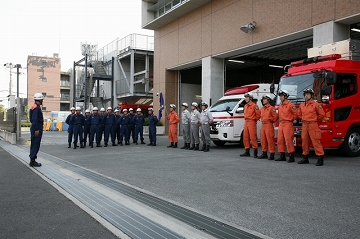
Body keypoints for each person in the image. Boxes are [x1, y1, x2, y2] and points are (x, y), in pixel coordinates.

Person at [297, 88, 325, 166]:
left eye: (308, 94)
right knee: (304, 141)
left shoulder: (316, 104)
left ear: (312, 95)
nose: (306, 96)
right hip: (304, 125)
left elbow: (322, 114)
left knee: (316, 141)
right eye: (305, 94)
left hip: (313, 124)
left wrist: (315, 120)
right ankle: (305, 157)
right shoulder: (302, 105)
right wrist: (303, 119)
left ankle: (320, 158)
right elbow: (299, 114)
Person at [275, 90, 297, 162]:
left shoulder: (291, 105)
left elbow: (295, 115)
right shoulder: (280, 106)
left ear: (286, 96)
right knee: (280, 140)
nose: (280, 97)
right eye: (280, 96)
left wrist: (290, 119)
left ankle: (291, 155)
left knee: (288, 140)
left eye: (282, 96)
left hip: (288, 123)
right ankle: (282, 155)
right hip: (281, 123)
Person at [240, 92, 261, 158]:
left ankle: (255, 152)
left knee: (253, 137)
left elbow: (258, 115)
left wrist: (254, 120)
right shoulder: (245, 106)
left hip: (252, 122)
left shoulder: (254, 106)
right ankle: (247, 151)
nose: (246, 99)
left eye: (247, 97)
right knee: (245, 137)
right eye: (245, 97)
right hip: (246, 122)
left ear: (250, 98)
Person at [258, 95, 278, 160]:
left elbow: (275, 117)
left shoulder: (271, 108)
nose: (264, 100)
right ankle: (264, 153)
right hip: (263, 125)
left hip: (269, 125)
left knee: (270, 139)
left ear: (268, 100)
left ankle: (272, 154)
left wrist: (270, 119)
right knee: (263, 139)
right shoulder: (262, 108)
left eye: (265, 99)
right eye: (263, 99)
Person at [29, 93, 44, 167]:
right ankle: (32, 160)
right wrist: (37, 129)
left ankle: (32, 159)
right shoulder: (36, 108)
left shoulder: (33, 106)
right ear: (40, 100)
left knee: (33, 143)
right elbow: (35, 119)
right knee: (36, 144)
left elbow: (31, 119)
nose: (42, 101)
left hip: (34, 127)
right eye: (42, 100)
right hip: (37, 128)